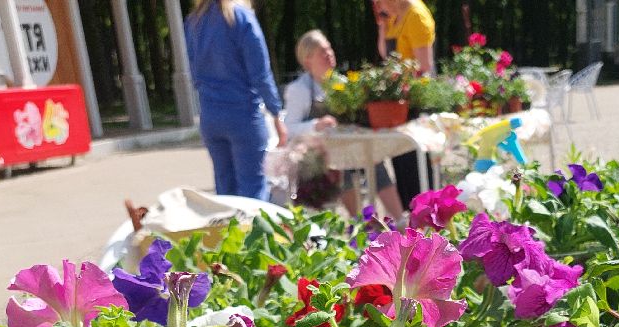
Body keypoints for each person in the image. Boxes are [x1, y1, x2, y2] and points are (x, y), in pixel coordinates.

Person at [283, 29, 405, 218]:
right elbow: (288, 129)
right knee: (341, 165)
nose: (329, 54)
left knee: (375, 157)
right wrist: (316, 125)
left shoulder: (341, 83)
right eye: (322, 52)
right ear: (308, 60)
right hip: (317, 155)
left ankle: (399, 219)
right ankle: (359, 221)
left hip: (344, 144)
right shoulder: (300, 90)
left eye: (329, 49)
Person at [185, 0, 288, 199]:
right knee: (253, 191)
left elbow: (195, 75)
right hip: (243, 115)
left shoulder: (193, 22)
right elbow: (260, 75)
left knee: (225, 193)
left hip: (211, 117)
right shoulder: (240, 17)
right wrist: (276, 113)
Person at [372, 0, 436, 208]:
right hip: (398, 105)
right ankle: (411, 216)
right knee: (400, 167)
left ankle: (427, 214)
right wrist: (382, 25)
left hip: (415, 103)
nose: (377, 6)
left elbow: (424, 66)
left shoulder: (416, 15)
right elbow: (386, 55)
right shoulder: (393, 17)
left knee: (416, 169)